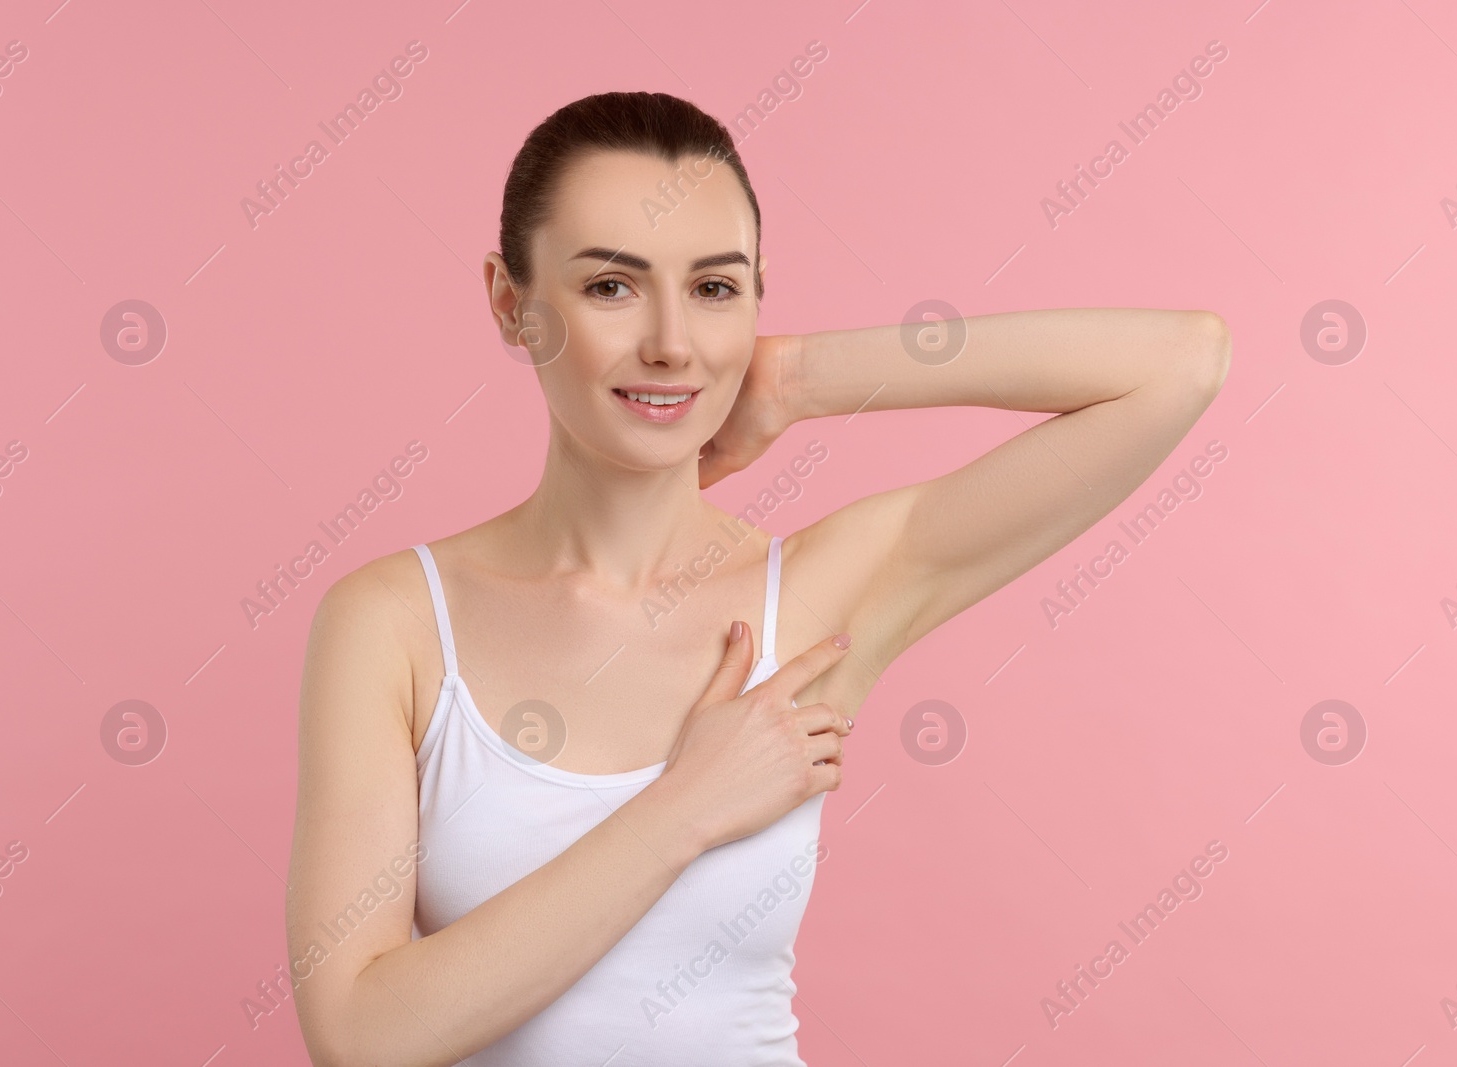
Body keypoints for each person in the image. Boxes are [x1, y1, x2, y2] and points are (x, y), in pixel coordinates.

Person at [285, 91, 1230, 1067]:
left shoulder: (818, 598)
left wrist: (796, 380)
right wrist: (684, 806)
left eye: (714, 288)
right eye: (611, 287)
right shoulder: (394, 621)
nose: (670, 343)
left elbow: (1180, 363)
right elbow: (361, 1034)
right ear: (509, 302)